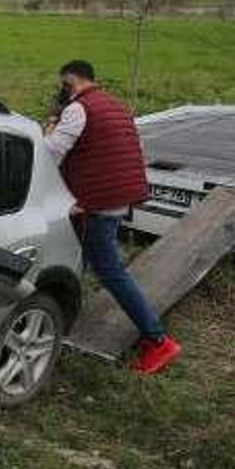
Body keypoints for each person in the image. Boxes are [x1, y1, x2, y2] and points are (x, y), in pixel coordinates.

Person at [44, 60, 181, 374]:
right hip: (116, 199)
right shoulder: (113, 105)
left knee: (111, 272)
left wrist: (51, 125)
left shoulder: (78, 109)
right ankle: (69, 314)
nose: (62, 92)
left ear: (70, 82)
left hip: (97, 205)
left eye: (63, 86)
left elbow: (50, 153)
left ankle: (159, 341)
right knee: (85, 260)